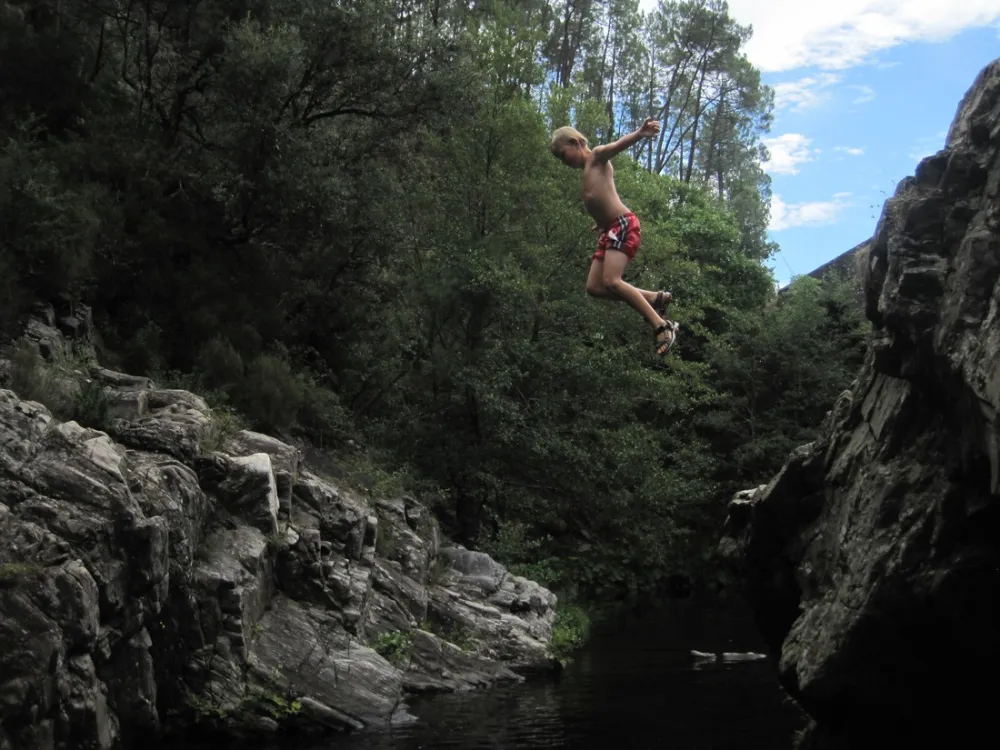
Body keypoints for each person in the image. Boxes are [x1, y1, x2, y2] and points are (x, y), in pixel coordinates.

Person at [550, 118, 678, 357]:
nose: (565, 163)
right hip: (610, 229)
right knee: (594, 287)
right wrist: (599, 223)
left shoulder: (596, 157)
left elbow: (616, 146)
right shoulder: (587, 171)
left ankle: (662, 325)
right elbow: (600, 201)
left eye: (564, 156)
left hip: (623, 224)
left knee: (612, 281)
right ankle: (654, 298)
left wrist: (639, 134)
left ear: (576, 142)